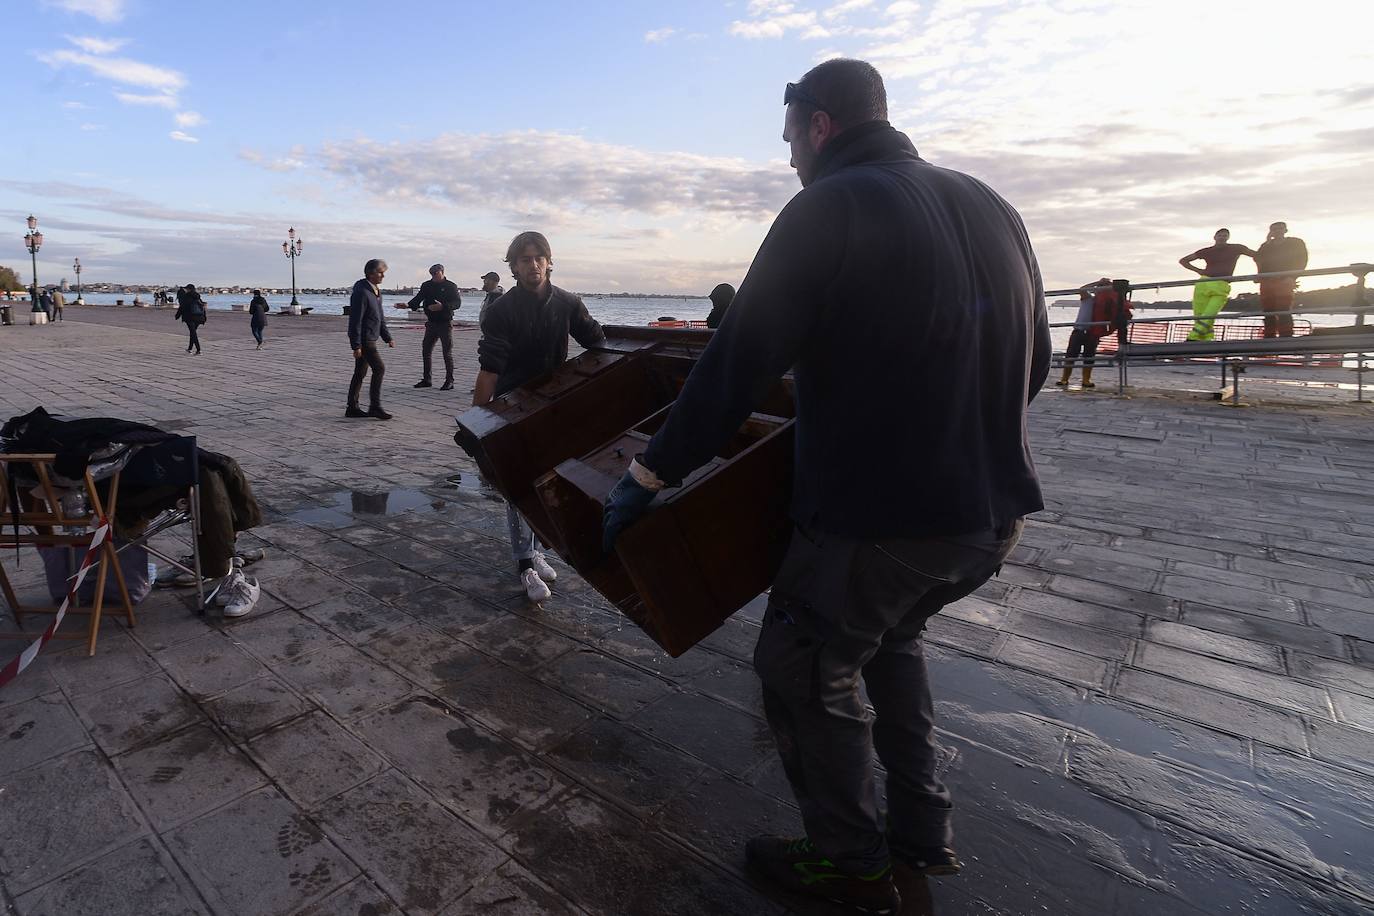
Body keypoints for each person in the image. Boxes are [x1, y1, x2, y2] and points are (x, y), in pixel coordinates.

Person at [600, 59, 1049, 914]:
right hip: (991, 516)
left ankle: (848, 861)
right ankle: (923, 833)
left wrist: (651, 471)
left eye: (789, 141)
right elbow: (1036, 358)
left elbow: (738, 360)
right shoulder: (994, 206)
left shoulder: (829, 205)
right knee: (891, 641)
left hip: (881, 522)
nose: (789, 162)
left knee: (801, 667)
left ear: (820, 125)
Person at [475, 231, 606, 602]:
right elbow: (489, 369)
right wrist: (476, 421)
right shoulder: (501, 311)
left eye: (538, 258)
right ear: (513, 267)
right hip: (512, 405)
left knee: (548, 481)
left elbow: (598, 344)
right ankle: (525, 566)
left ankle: (536, 550)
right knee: (519, 486)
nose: (532, 265)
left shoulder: (568, 303)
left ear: (549, 261)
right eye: (524, 259)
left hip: (553, 405)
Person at [1179, 229, 1257, 341]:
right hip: (1203, 283)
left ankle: (1192, 339)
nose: (1222, 237)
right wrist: (1199, 271)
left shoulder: (1237, 248)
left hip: (1222, 284)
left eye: (1225, 235)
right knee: (1200, 315)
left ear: (1228, 237)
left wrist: (1259, 272)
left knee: (1210, 313)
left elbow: (1257, 255)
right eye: (1220, 235)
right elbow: (1183, 260)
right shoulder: (1206, 251)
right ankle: (1207, 339)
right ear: (1215, 237)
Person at [397, 264, 461, 390]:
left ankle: (450, 381)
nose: (433, 277)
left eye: (436, 274)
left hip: (445, 322)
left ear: (442, 272)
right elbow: (418, 298)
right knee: (426, 350)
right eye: (431, 274)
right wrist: (407, 305)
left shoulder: (450, 286)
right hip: (431, 323)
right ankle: (427, 379)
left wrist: (443, 306)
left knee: (446, 352)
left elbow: (457, 303)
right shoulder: (427, 285)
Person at [346, 259, 395, 419]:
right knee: (379, 368)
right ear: (371, 273)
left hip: (371, 337)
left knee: (360, 372)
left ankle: (352, 407)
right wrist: (356, 345)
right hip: (365, 339)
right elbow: (355, 320)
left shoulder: (375, 291)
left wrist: (387, 337)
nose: (383, 276)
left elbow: (379, 317)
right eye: (380, 273)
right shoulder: (361, 292)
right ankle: (375, 406)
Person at [1055, 278, 1122, 389]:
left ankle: (1086, 379)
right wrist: (1097, 282)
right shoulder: (1088, 299)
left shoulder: (1105, 303)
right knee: (1071, 355)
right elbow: (1082, 289)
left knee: (1089, 356)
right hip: (1079, 330)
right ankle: (1064, 379)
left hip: (1093, 332)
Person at [1255, 222, 1308, 338]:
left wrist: (1293, 276)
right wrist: (1267, 241)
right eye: (1274, 229)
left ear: (1285, 230)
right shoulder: (1266, 245)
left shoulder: (1295, 242)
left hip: (1285, 279)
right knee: (1268, 310)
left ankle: (1286, 336)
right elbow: (1258, 258)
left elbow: (1302, 259)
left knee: (1283, 308)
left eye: (1280, 229)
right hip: (1267, 280)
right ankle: (1269, 335)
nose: (1277, 231)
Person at [174, 284, 207, 354]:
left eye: (186, 289)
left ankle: (198, 349)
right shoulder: (197, 297)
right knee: (193, 332)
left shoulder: (186, 297)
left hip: (189, 317)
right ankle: (190, 348)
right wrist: (204, 317)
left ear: (189, 289)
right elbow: (202, 307)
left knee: (193, 333)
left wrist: (177, 316)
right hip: (199, 317)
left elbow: (182, 307)